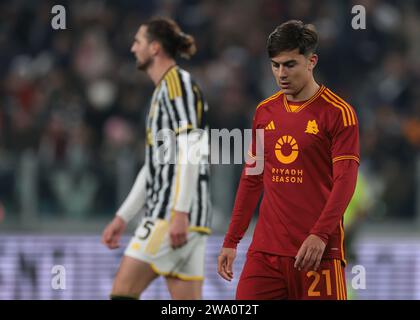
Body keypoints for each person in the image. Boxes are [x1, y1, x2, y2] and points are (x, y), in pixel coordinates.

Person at [217, 20, 359, 300]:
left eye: (290, 64)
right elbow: (252, 178)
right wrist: (231, 240)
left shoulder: (338, 113)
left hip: (317, 252)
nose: (281, 73)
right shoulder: (264, 112)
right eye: (275, 65)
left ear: (311, 61)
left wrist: (319, 234)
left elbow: (346, 180)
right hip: (265, 254)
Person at [101, 17, 211, 300]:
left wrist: (179, 212)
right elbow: (154, 167)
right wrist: (123, 216)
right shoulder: (162, 90)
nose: (132, 48)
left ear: (155, 48)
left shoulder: (177, 84)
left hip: (170, 215)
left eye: (138, 41)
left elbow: (193, 147)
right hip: (183, 217)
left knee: (122, 294)